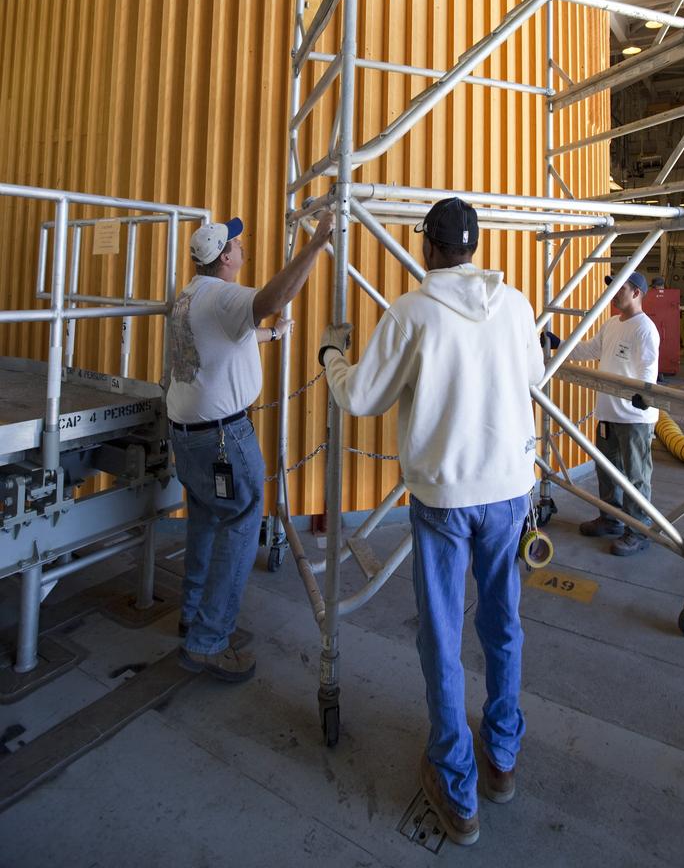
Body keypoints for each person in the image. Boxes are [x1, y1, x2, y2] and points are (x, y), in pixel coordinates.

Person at [319, 197, 543, 847]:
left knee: (442, 638)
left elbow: (360, 396)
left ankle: (456, 784)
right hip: (507, 492)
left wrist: (332, 354)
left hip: (443, 500)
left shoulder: (412, 312)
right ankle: (500, 757)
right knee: (502, 624)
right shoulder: (517, 304)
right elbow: (532, 377)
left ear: (428, 247)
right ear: (473, 247)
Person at [167, 210, 334, 683]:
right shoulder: (225, 296)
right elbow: (274, 297)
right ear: (224, 258)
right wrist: (317, 242)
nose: (243, 247)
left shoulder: (191, 296)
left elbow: (227, 338)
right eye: (236, 245)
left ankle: (193, 614)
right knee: (242, 522)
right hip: (223, 438)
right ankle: (208, 641)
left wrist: (272, 334)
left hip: (188, 436)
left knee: (206, 519)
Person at [560, 271, 660, 557]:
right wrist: (559, 344)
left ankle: (639, 530)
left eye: (621, 287)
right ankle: (610, 518)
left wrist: (645, 395)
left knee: (636, 476)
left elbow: (649, 368)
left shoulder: (645, 328)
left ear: (637, 293)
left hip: (633, 418)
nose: (614, 292)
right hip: (608, 413)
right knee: (607, 470)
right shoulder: (612, 324)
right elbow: (589, 349)